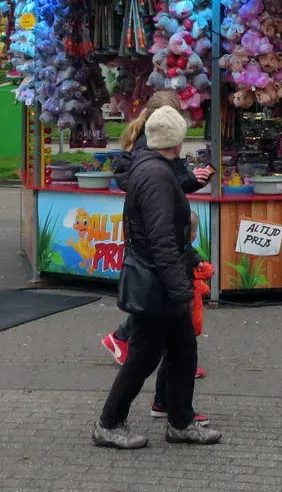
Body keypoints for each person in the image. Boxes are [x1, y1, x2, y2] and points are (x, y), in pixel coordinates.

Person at [92, 107, 221, 449]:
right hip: (157, 282)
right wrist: (181, 287)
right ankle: (109, 422)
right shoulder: (156, 176)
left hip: (160, 279)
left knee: (182, 352)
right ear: (178, 141)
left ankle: (179, 419)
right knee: (145, 356)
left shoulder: (153, 168)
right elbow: (162, 238)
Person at [101, 91, 211, 375]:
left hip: (153, 254)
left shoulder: (150, 152)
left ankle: (160, 371)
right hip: (156, 255)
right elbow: (161, 224)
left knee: (159, 318)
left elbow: (168, 189)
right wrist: (182, 280)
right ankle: (153, 371)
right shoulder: (151, 157)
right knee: (160, 318)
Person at [148, 211, 214, 423]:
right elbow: (196, 276)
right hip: (179, 310)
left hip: (177, 308)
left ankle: (163, 403)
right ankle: (174, 409)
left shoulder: (181, 250)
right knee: (178, 357)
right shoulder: (179, 253)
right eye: (194, 231)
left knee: (170, 357)